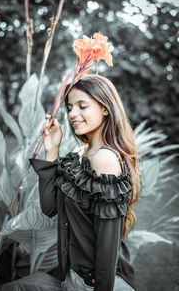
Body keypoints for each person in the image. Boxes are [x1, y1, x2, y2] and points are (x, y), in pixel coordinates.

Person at [29, 74, 140, 291]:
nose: (73, 114)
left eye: (82, 106)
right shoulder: (81, 155)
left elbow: (108, 248)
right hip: (72, 277)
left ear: (105, 108)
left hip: (94, 284)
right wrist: (52, 150)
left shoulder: (105, 159)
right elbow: (50, 208)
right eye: (70, 107)